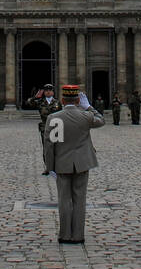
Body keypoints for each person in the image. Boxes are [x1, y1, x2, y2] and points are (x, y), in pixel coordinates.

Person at [43, 84, 104, 245]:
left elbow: (51, 145)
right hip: (82, 163)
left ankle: (65, 234)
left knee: (64, 200)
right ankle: (78, 235)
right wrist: (89, 106)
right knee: (79, 199)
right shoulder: (85, 116)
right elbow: (101, 120)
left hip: (62, 163)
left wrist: (50, 167)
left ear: (62, 100)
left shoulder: (55, 118)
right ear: (78, 100)